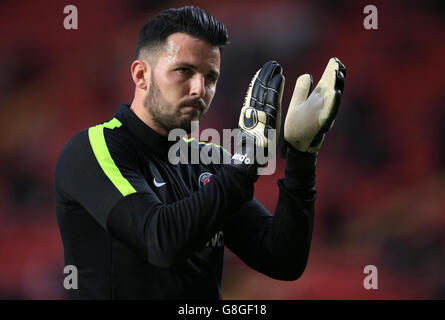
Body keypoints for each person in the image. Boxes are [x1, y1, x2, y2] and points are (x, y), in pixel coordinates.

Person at [54, 6, 346, 299]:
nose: (199, 89)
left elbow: (283, 260)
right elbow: (160, 242)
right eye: (184, 70)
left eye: (210, 77)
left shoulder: (209, 161)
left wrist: (301, 158)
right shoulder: (93, 148)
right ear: (141, 75)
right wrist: (244, 164)